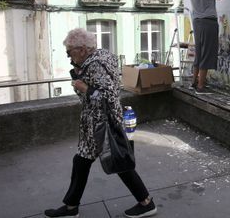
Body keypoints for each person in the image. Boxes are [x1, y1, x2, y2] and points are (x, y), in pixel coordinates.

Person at [44, 28, 157, 218]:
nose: (68, 56)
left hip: (100, 123)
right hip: (98, 122)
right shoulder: (102, 56)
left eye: (69, 51)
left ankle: (146, 202)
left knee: (115, 161)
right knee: (87, 161)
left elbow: (107, 96)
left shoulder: (96, 65)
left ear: (81, 49)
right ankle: (72, 206)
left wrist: (84, 87)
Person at [187, 0, 230, 94]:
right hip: (208, 23)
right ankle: (201, 87)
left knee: (199, 53)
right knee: (207, 53)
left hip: (197, 22)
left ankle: (194, 83)